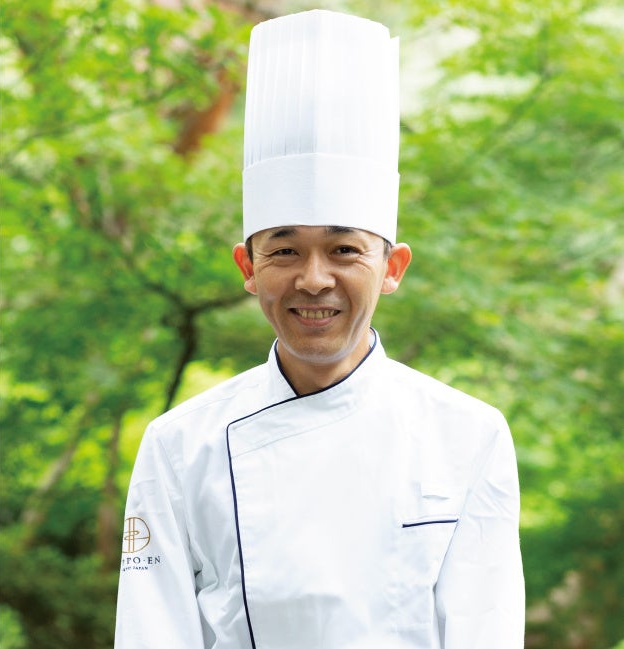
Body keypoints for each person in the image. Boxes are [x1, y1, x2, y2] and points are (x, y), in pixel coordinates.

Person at [114, 9, 524, 649]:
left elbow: (486, 630)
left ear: (392, 268)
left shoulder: (468, 435)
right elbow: (151, 632)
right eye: (284, 251)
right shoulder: (179, 446)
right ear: (248, 268)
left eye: (343, 251)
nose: (313, 279)